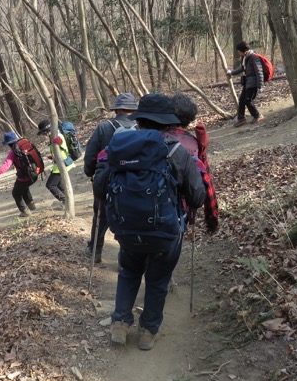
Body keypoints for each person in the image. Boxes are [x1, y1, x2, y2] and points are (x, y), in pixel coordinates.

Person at [93, 94, 205, 350]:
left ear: (139, 121)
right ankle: (148, 332)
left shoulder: (116, 149)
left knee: (129, 272)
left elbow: (99, 189)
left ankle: (120, 323)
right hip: (165, 233)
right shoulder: (176, 152)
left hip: (125, 229)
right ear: (167, 124)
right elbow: (197, 197)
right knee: (157, 280)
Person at [83, 93, 138, 263]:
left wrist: (92, 172)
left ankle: (95, 252)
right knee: (129, 218)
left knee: (100, 215)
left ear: (117, 110)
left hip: (106, 181)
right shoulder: (142, 128)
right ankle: (124, 259)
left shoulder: (104, 128)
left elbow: (90, 156)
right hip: (134, 182)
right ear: (132, 109)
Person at [168, 94, 219, 233]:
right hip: (180, 208)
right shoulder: (194, 144)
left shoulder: (155, 137)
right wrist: (211, 217)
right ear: (190, 119)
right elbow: (205, 180)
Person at [0, 132, 38, 217]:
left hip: (24, 177)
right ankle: (31, 205)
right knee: (23, 188)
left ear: (9, 144)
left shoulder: (13, 152)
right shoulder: (26, 145)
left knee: (16, 193)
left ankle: (25, 212)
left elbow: (5, 167)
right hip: (34, 174)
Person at [226, 41, 265, 127]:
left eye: (239, 51)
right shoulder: (246, 58)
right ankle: (241, 118)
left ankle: (257, 115)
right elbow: (242, 68)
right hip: (247, 82)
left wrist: (260, 86)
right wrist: (232, 72)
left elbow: (259, 72)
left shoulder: (254, 58)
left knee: (247, 100)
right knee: (242, 100)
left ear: (244, 51)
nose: (238, 53)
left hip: (254, 83)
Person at [37, 120, 74, 206]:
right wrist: (53, 157)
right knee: (59, 185)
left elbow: (60, 141)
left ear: (48, 130)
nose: (44, 135)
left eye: (44, 133)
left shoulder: (57, 136)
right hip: (60, 163)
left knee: (50, 185)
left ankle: (65, 201)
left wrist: (57, 141)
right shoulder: (54, 136)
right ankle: (68, 201)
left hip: (62, 164)